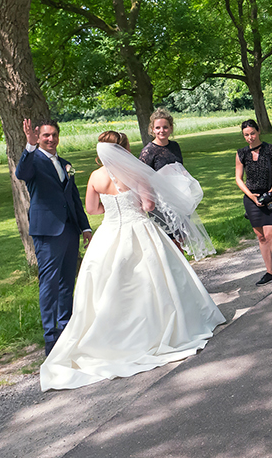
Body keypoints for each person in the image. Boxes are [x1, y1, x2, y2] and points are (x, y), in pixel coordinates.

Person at [39, 131, 224, 391]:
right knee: (154, 280)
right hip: (139, 230)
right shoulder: (135, 173)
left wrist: (111, 207)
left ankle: (107, 338)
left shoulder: (95, 177)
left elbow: (92, 209)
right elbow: (148, 206)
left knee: (107, 286)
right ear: (124, 149)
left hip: (110, 233)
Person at [17, 118, 93, 355]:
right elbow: (22, 173)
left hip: (69, 230)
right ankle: (50, 338)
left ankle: (67, 328)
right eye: (45, 136)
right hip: (48, 231)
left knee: (67, 282)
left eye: (54, 135)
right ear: (38, 137)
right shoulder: (34, 161)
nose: (51, 139)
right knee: (49, 284)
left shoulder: (65, 164)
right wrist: (29, 147)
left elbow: (73, 199)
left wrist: (85, 227)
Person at [236, 119, 272, 288]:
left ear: (258, 131)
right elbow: (238, 178)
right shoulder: (241, 154)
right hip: (251, 199)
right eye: (246, 135)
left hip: (269, 196)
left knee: (270, 235)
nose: (250, 137)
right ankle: (270, 272)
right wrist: (251, 197)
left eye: (252, 133)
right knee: (260, 237)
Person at [138, 109, 186, 244]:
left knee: (181, 239)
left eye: (165, 127)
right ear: (152, 129)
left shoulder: (175, 146)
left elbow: (180, 169)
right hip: (160, 204)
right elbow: (142, 180)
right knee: (169, 242)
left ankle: (182, 265)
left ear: (171, 128)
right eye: (157, 128)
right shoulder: (148, 151)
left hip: (178, 199)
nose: (161, 131)